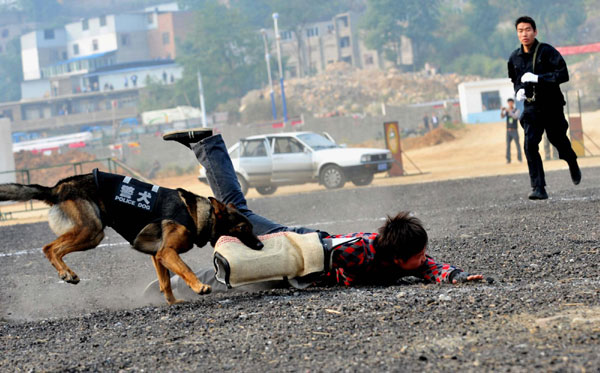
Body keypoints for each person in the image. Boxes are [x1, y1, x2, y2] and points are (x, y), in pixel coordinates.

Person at [144, 129, 485, 299]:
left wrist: (456, 276)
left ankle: (208, 146)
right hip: (293, 250)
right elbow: (325, 261)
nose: (425, 258)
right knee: (234, 232)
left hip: (295, 265)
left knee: (235, 242)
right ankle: (208, 146)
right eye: (419, 254)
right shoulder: (359, 251)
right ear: (397, 258)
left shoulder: (401, 256)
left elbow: (429, 266)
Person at [507, 16, 581, 200]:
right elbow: (515, 79)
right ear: (517, 33)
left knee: (558, 140)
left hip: (552, 106)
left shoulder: (547, 51)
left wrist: (539, 78)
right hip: (531, 108)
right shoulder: (514, 57)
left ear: (535, 31)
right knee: (530, 144)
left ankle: (571, 159)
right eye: (520, 30)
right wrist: (518, 91)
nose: (524, 34)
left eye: (528, 30)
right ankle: (538, 187)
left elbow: (563, 75)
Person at [500, 98, 522, 164]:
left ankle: (520, 159)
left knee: (517, 145)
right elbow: (502, 117)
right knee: (508, 146)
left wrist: (509, 111)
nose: (510, 104)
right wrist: (502, 111)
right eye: (509, 103)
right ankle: (508, 159)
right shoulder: (507, 111)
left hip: (514, 130)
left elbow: (515, 117)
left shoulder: (516, 110)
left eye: (511, 102)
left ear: (513, 103)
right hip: (508, 131)